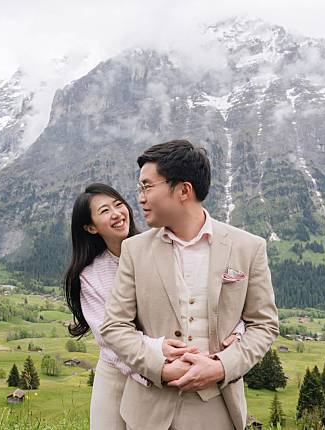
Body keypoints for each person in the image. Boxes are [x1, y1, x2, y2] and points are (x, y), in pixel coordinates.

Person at [100, 140, 279, 430]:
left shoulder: (248, 247)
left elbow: (265, 326)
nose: (140, 198)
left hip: (218, 408)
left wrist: (222, 366)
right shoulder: (134, 250)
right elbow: (113, 326)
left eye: (147, 187)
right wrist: (160, 367)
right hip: (147, 413)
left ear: (184, 190)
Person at [64, 183, 245, 430]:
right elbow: (108, 338)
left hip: (173, 368)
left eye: (118, 204)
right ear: (90, 227)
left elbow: (206, 297)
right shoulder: (91, 275)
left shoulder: (159, 247)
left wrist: (239, 329)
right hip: (120, 371)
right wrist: (159, 353)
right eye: (105, 211)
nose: (117, 213)